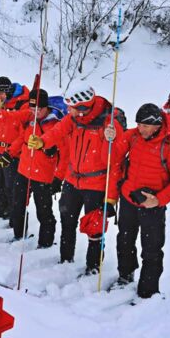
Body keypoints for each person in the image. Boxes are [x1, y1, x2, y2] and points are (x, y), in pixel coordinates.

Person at [28, 83, 125, 274]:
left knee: (94, 227)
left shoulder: (108, 123)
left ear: (82, 107)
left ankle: (93, 266)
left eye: (71, 107)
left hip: (96, 184)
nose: (68, 110)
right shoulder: (73, 118)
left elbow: (115, 162)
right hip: (72, 180)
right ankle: (66, 259)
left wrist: (111, 197)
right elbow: (57, 132)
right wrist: (42, 142)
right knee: (67, 221)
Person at [104, 103, 170, 298]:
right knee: (124, 241)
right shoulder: (133, 136)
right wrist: (110, 139)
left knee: (151, 249)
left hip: (152, 207)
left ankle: (148, 293)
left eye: (145, 126)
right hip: (128, 200)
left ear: (157, 125)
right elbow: (113, 156)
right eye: (139, 124)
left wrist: (158, 200)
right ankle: (125, 276)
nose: (140, 129)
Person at [9, 88, 59, 248]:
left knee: (43, 210)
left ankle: (45, 243)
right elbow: (22, 138)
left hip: (42, 174)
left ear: (46, 107)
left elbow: (64, 153)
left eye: (39, 109)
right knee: (17, 203)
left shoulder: (54, 124)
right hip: (24, 169)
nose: (35, 112)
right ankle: (18, 234)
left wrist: (59, 177)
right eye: (32, 108)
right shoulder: (30, 119)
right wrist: (10, 153)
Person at [0, 76, 29, 221]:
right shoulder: (3, 103)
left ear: (8, 91)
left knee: (11, 187)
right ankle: (1, 212)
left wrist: (11, 152)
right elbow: (0, 120)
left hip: (11, 152)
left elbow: (22, 133)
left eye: (1, 93)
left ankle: (13, 217)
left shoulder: (22, 105)